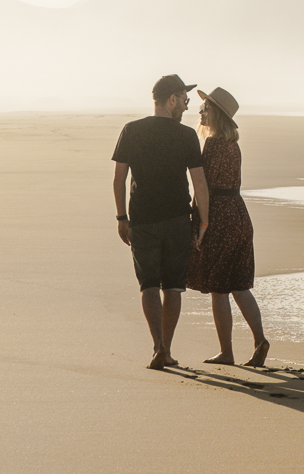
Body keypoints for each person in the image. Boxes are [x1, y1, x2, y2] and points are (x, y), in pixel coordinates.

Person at [112, 74, 210, 370]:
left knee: (149, 284)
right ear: (171, 100)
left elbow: (119, 179)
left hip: (141, 219)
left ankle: (157, 347)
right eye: (184, 100)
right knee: (174, 287)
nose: (186, 106)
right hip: (177, 219)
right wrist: (203, 223)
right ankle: (165, 349)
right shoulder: (185, 136)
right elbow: (200, 184)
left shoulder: (132, 130)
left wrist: (121, 218)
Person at [186, 87, 269, 367]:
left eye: (206, 107)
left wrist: (199, 224)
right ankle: (259, 340)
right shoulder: (233, 145)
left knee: (218, 288)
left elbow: (202, 188)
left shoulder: (212, 145)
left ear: (216, 114)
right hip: (239, 214)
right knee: (239, 286)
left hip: (219, 216)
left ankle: (226, 352)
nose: (201, 111)